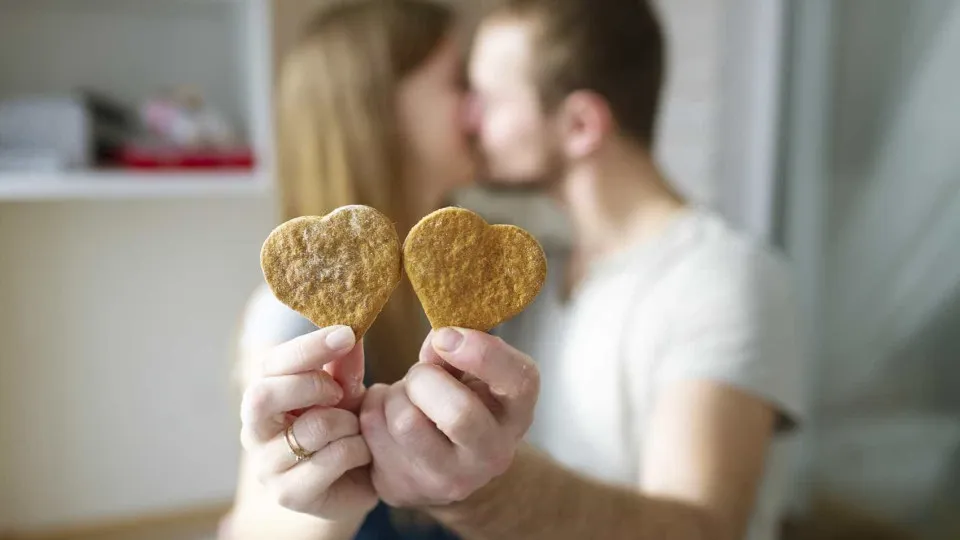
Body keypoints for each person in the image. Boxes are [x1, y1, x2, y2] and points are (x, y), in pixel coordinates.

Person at [239, 1, 807, 540]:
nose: (471, 115)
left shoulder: (718, 279)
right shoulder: (525, 271)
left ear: (581, 125)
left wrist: (476, 490)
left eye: (483, 93)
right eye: (460, 87)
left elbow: (703, 532)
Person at [224, 1, 476, 538]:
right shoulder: (290, 318)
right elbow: (256, 522)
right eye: (459, 80)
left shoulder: (461, 284)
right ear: (381, 109)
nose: (478, 104)